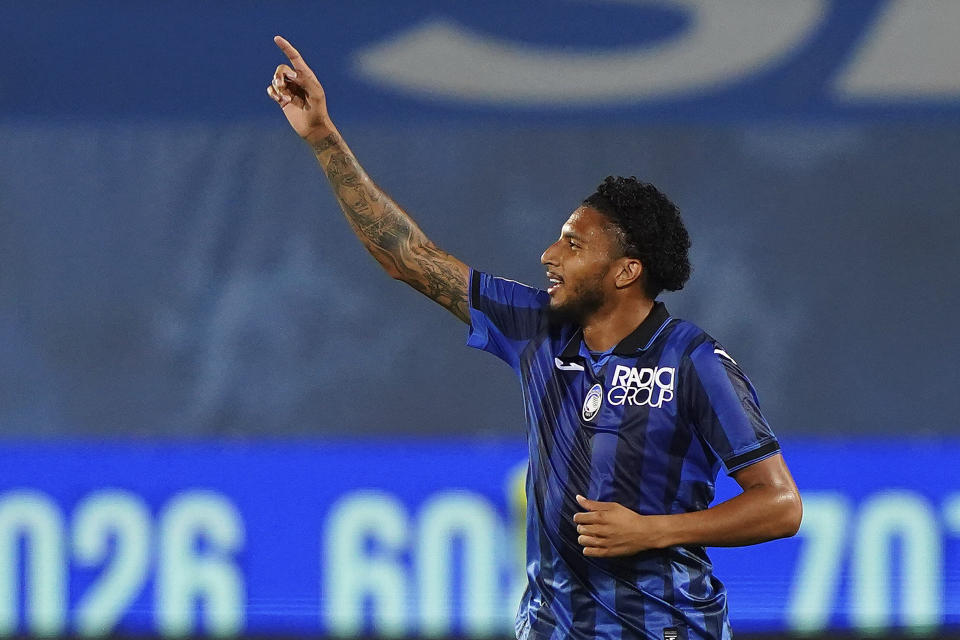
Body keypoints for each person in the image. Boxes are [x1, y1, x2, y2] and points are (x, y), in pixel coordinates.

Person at [267, 36, 802, 640]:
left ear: (627, 271)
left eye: (573, 244)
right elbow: (410, 257)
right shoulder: (536, 328)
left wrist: (655, 531)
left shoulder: (693, 362)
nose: (550, 255)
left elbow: (781, 505)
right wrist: (323, 137)